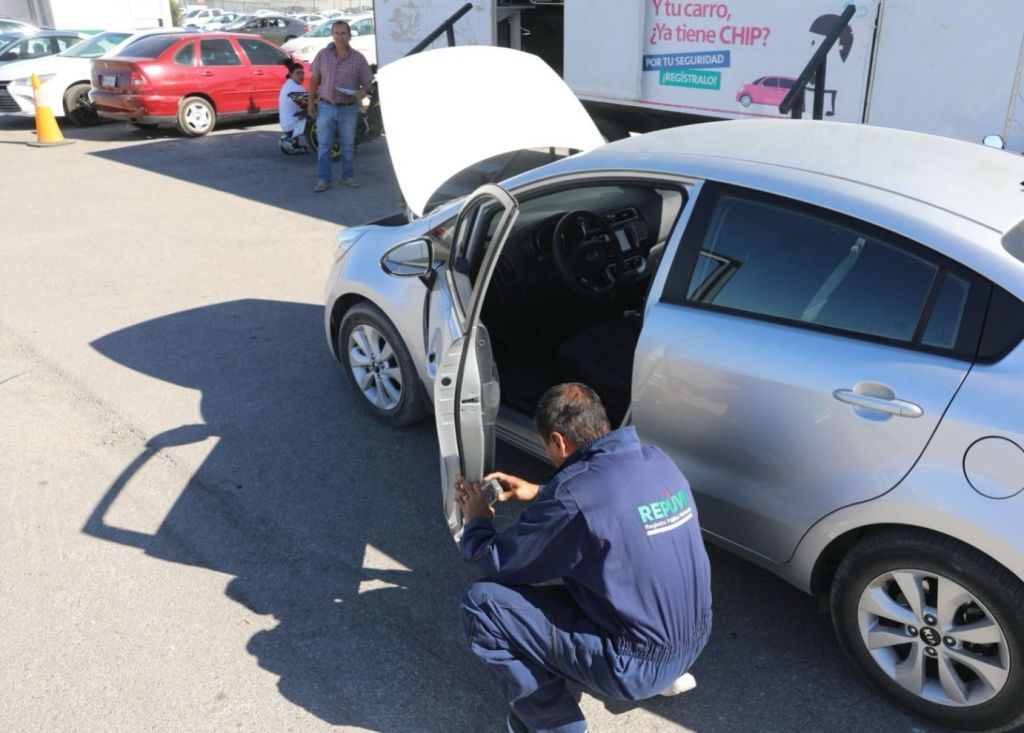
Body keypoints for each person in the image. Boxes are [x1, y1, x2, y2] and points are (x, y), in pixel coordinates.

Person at [455, 383, 713, 733]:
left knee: (482, 605)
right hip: (694, 636)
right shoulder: (657, 461)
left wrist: (477, 522)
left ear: (559, 441)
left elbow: (497, 562)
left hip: (635, 666)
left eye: (546, 445)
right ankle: (666, 673)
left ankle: (557, 725)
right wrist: (542, 494)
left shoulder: (575, 498)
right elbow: (609, 504)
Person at [307, 20, 374, 192]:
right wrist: (310, 103)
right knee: (324, 145)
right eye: (336, 33)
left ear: (349, 35)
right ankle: (323, 179)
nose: (339, 37)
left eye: (343, 33)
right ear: (332, 35)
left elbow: (368, 81)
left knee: (348, 144)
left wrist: (362, 91)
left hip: (349, 108)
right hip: (326, 106)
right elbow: (314, 79)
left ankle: (348, 176)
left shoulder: (358, 58)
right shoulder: (323, 55)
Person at [278, 59, 308, 155]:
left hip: (287, 124)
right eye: (298, 73)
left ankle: (291, 140)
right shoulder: (294, 88)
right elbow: (309, 103)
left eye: (302, 73)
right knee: (318, 116)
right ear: (291, 75)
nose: (301, 76)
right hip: (292, 126)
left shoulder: (289, 85)